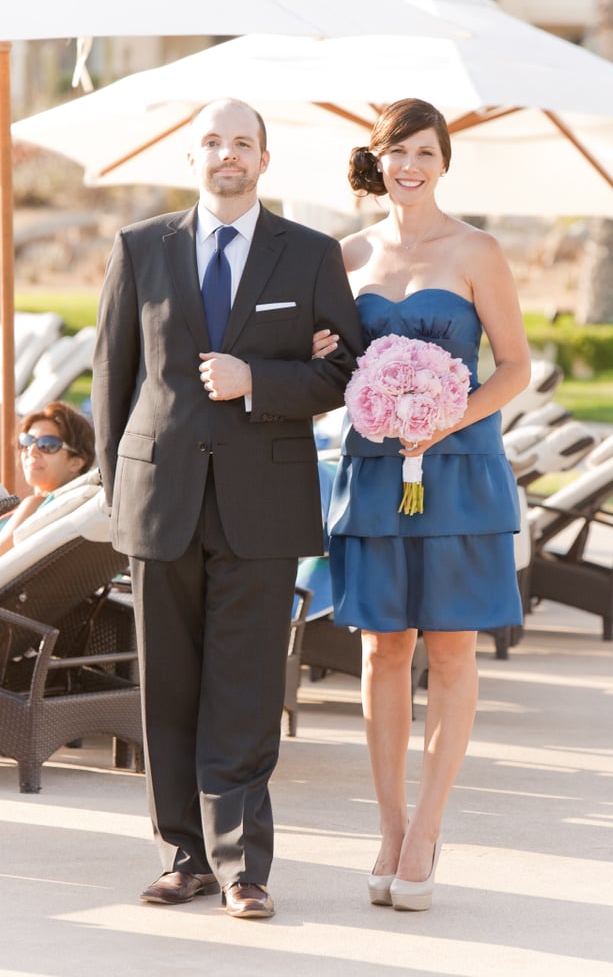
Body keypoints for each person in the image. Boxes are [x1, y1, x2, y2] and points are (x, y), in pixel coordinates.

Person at [91, 98, 363, 920]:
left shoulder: (311, 254)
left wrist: (261, 382)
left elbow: (346, 370)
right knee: (168, 686)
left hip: (263, 504)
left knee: (244, 687)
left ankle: (244, 866)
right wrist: (118, 493)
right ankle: (183, 857)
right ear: (191, 159)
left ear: (263, 160)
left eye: (241, 142)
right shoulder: (140, 248)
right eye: (211, 142)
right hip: (160, 495)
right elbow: (113, 379)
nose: (226, 154)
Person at [315, 98, 531, 912]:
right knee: (380, 653)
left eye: (425, 153)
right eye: (396, 152)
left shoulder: (478, 250)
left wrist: (445, 416)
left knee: (449, 653)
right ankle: (388, 823)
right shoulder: (343, 256)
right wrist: (324, 361)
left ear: (444, 164)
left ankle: (427, 829)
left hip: (459, 472)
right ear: (376, 160)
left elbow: (513, 369)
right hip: (374, 473)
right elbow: (330, 375)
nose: (409, 166)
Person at [0, 401, 95, 557]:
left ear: (76, 462)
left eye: (48, 445)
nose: (32, 451)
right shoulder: (72, 510)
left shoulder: (34, 505)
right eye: (27, 441)